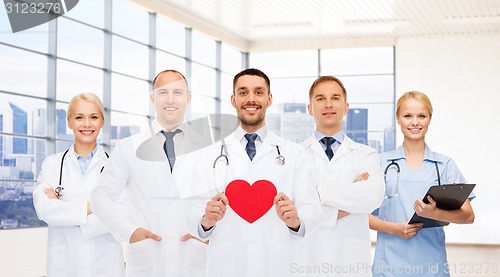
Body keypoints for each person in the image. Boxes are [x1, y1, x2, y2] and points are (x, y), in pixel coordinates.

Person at [188, 68, 321, 277]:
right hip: (227, 266)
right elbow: (191, 210)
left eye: (258, 92)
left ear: (269, 99)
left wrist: (295, 221)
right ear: (233, 100)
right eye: (243, 92)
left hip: (278, 265)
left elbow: (312, 208)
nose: (251, 99)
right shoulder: (209, 154)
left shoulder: (294, 153)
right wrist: (206, 219)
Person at [91, 70, 208, 276]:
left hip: (195, 257)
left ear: (188, 99)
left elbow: (223, 197)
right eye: (163, 92)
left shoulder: (207, 148)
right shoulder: (129, 147)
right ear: (152, 98)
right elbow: (101, 196)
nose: (170, 100)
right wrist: (129, 231)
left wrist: (207, 233)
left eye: (178, 93)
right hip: (147, 258)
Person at [369, 91, 475, 276]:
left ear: (430, 119)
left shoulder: (444, 165)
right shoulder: (380, 163)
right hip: (389, 267)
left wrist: (434, 213)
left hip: (431, 266)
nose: (415, 122)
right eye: (408, 116)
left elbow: (468, 216)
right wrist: (395, 229)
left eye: (421, 116)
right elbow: (358, 215)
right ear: (398, 118)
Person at [296, 76, 384, 276]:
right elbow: (294, 208)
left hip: (351, 262)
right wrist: (342, 208)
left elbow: (373, 196)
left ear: (346, 107)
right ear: (310, 108)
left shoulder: (366, 154)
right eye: (320, 98)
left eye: (335, 98)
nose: (328, 104)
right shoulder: (295, 155)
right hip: (307, 261)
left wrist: (317, 194)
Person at [33, 93, 125, 277]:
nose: (87, 124)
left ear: (102, 121)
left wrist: (63, 212)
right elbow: (44, 209)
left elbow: (120, 213)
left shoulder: (118, 165)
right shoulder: (52, 164)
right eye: (79, 117)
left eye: (93, 117)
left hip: (106, 265)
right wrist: (92, 208)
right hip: (64, 265)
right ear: (69, 122)